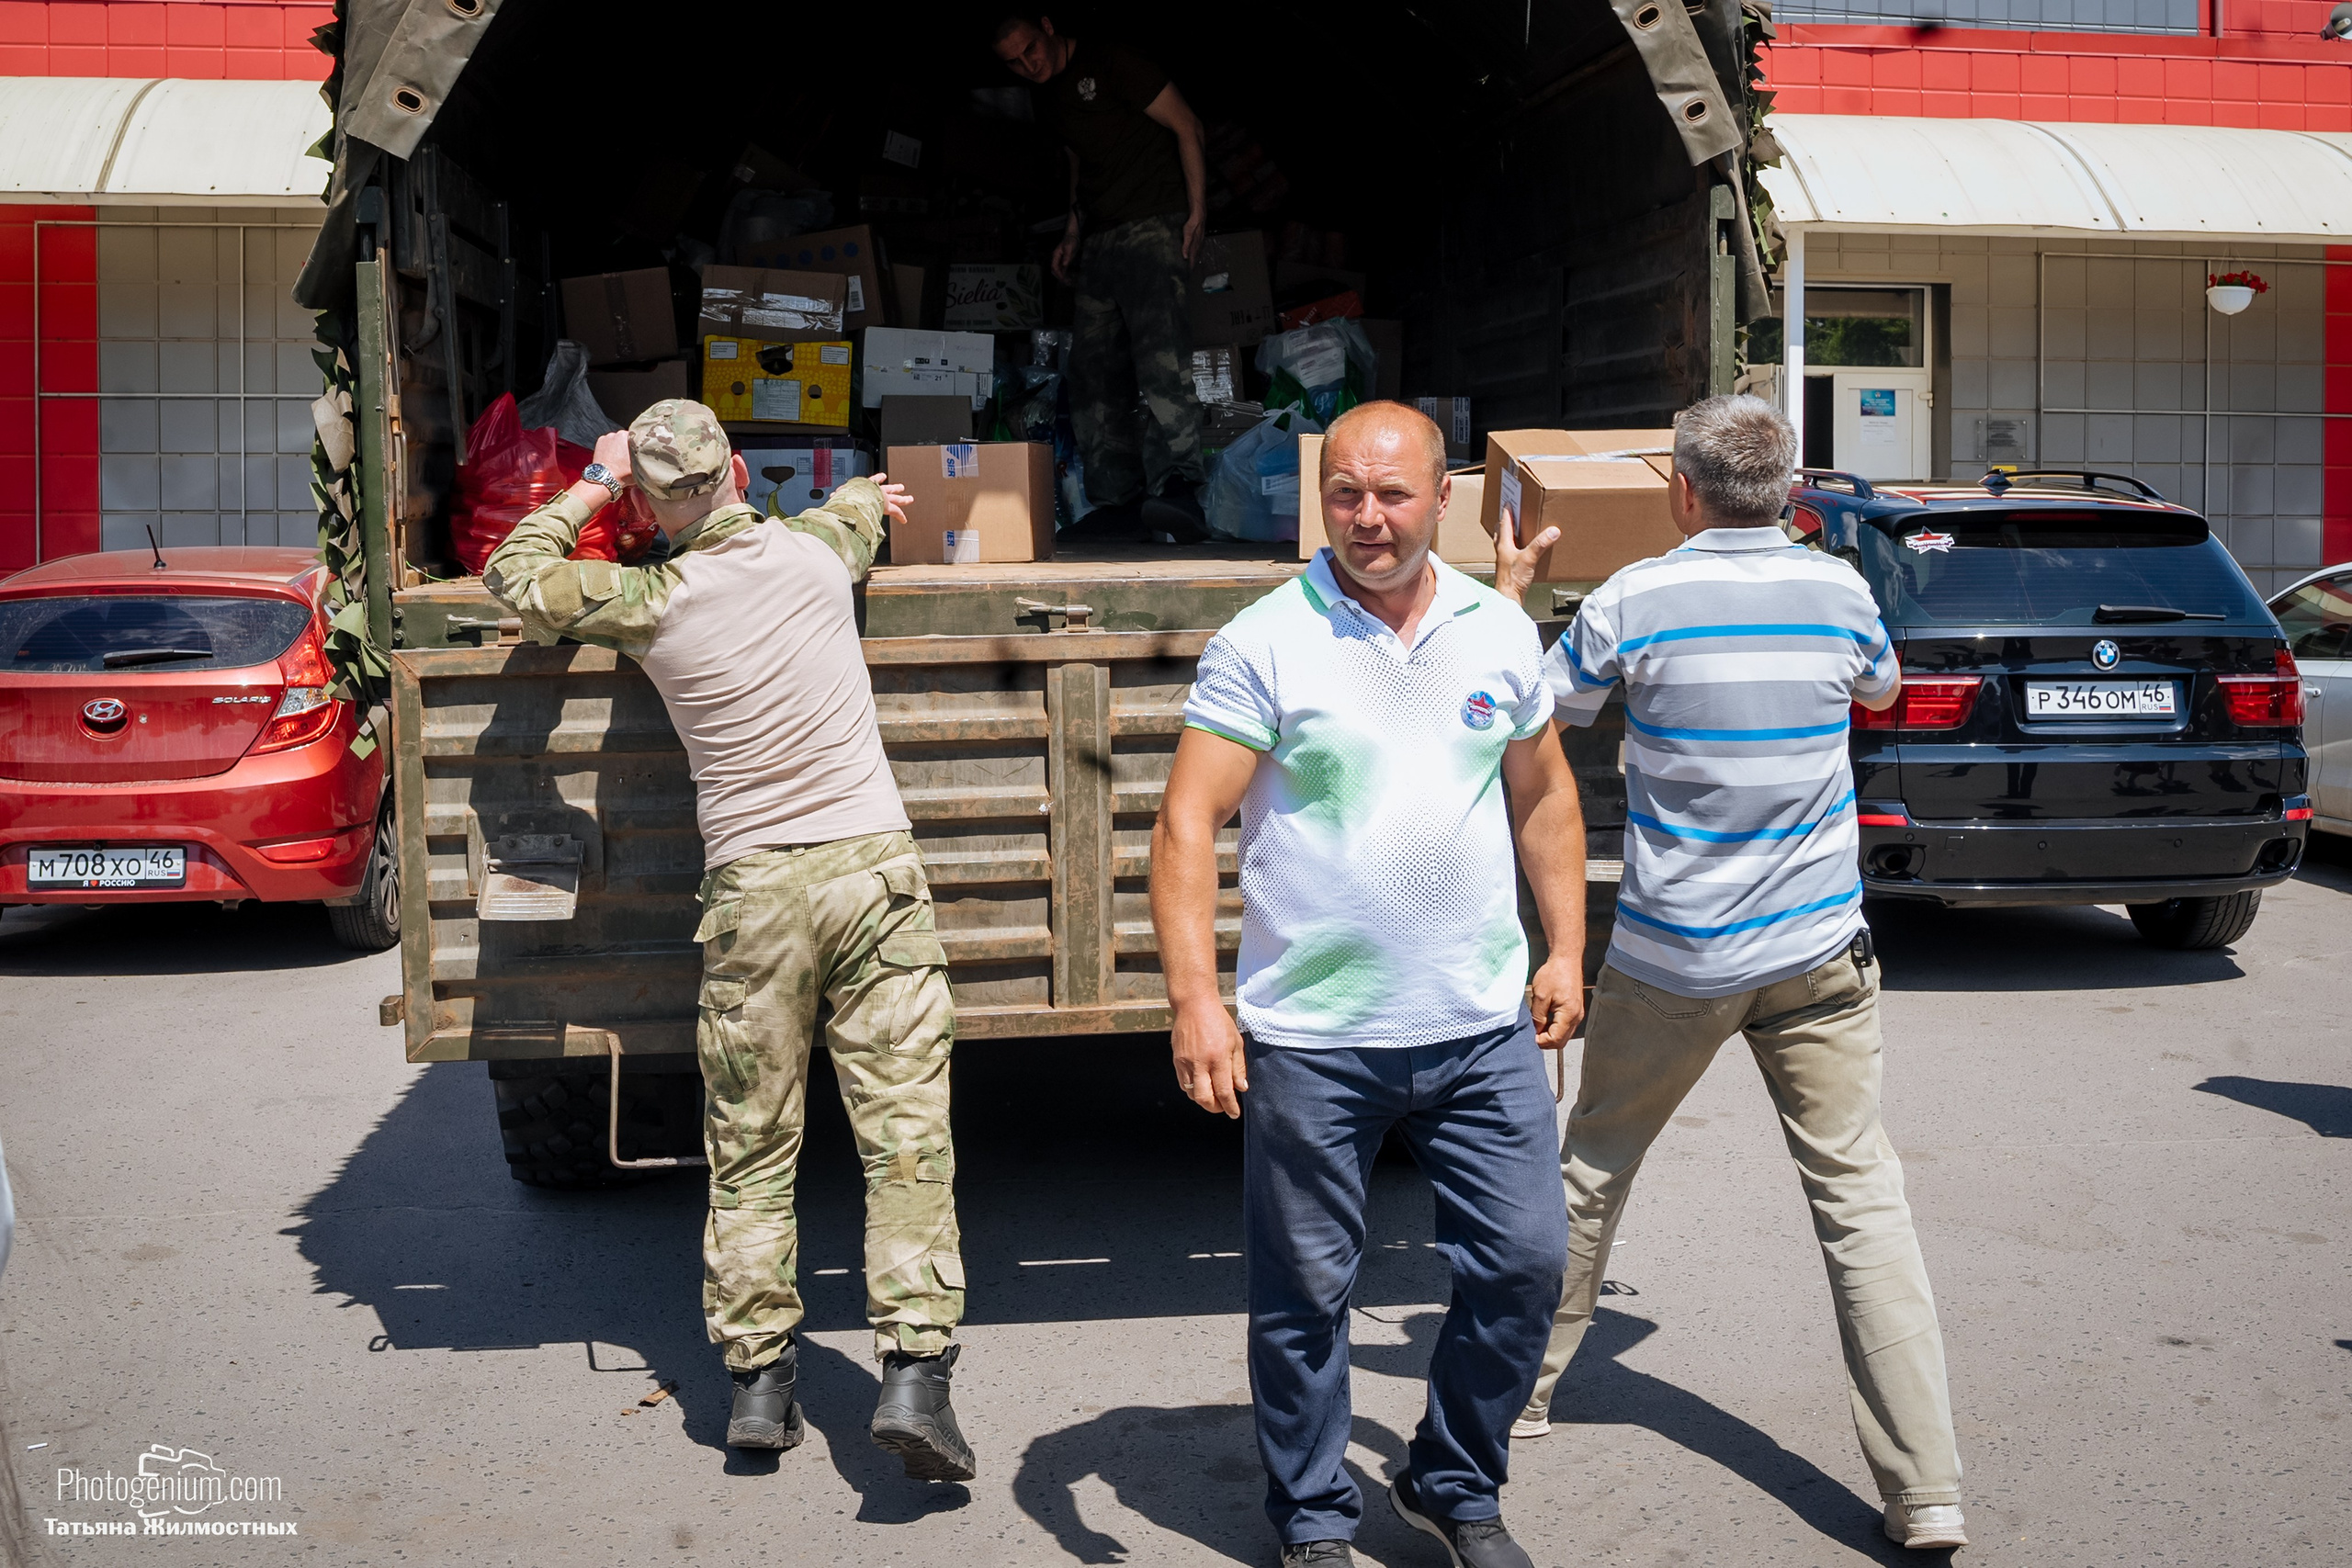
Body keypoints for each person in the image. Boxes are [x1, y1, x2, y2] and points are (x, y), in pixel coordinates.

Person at [1490, 393, 1968, 1552]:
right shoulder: (1839, 589)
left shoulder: (1636, 598)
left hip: (1674, 961)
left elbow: (1536, 714)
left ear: (1682, 492)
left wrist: (1510, 603)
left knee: (1592, 1170)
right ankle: (1927, 1492)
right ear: (1790, 491)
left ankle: (1518, 1400)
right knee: (1861, 1203)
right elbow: (1880, 692)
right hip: (1818, 952)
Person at [484, 400, 975, 1483]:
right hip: (875, 882)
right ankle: (913, 1381)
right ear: (741, 471)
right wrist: (865, 498)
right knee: (906, 1144)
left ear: (653, 505)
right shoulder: (813, 558)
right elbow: (855, 518)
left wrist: (593, 483)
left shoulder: (650, 599)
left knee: (751, 1150)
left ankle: (759, 1391)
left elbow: (514, 575)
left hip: (755, 899)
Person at [1152, 401, 1588, 1568]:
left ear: (1440, 497)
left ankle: (1450, 1481)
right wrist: (1199, 999)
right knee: (1306, 1297)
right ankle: (1312, 1523)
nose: (1367, 517)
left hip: (1477, 1020)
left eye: (1392, 494)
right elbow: (1188, 822)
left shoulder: (1499, 629)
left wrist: (1562, 945)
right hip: (1315, 1035)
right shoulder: (1265, 640)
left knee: (1526, 1263)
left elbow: (1542, 793)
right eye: (1345, 492)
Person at [994, 13, 1209, 538]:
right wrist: (1072, 230)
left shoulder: (1113, 63)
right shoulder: (1045, 98)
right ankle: (1116, 502)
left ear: (1047, 26)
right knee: (1091, 374)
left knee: (1162, 363)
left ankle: (1178, 492)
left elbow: (1188, 125)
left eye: (1031, 50)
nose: (1029, 65)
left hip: (1154, 226)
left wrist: (1197, 213)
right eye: (1014, 63)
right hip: (1101, 237)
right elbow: (1079, 163)